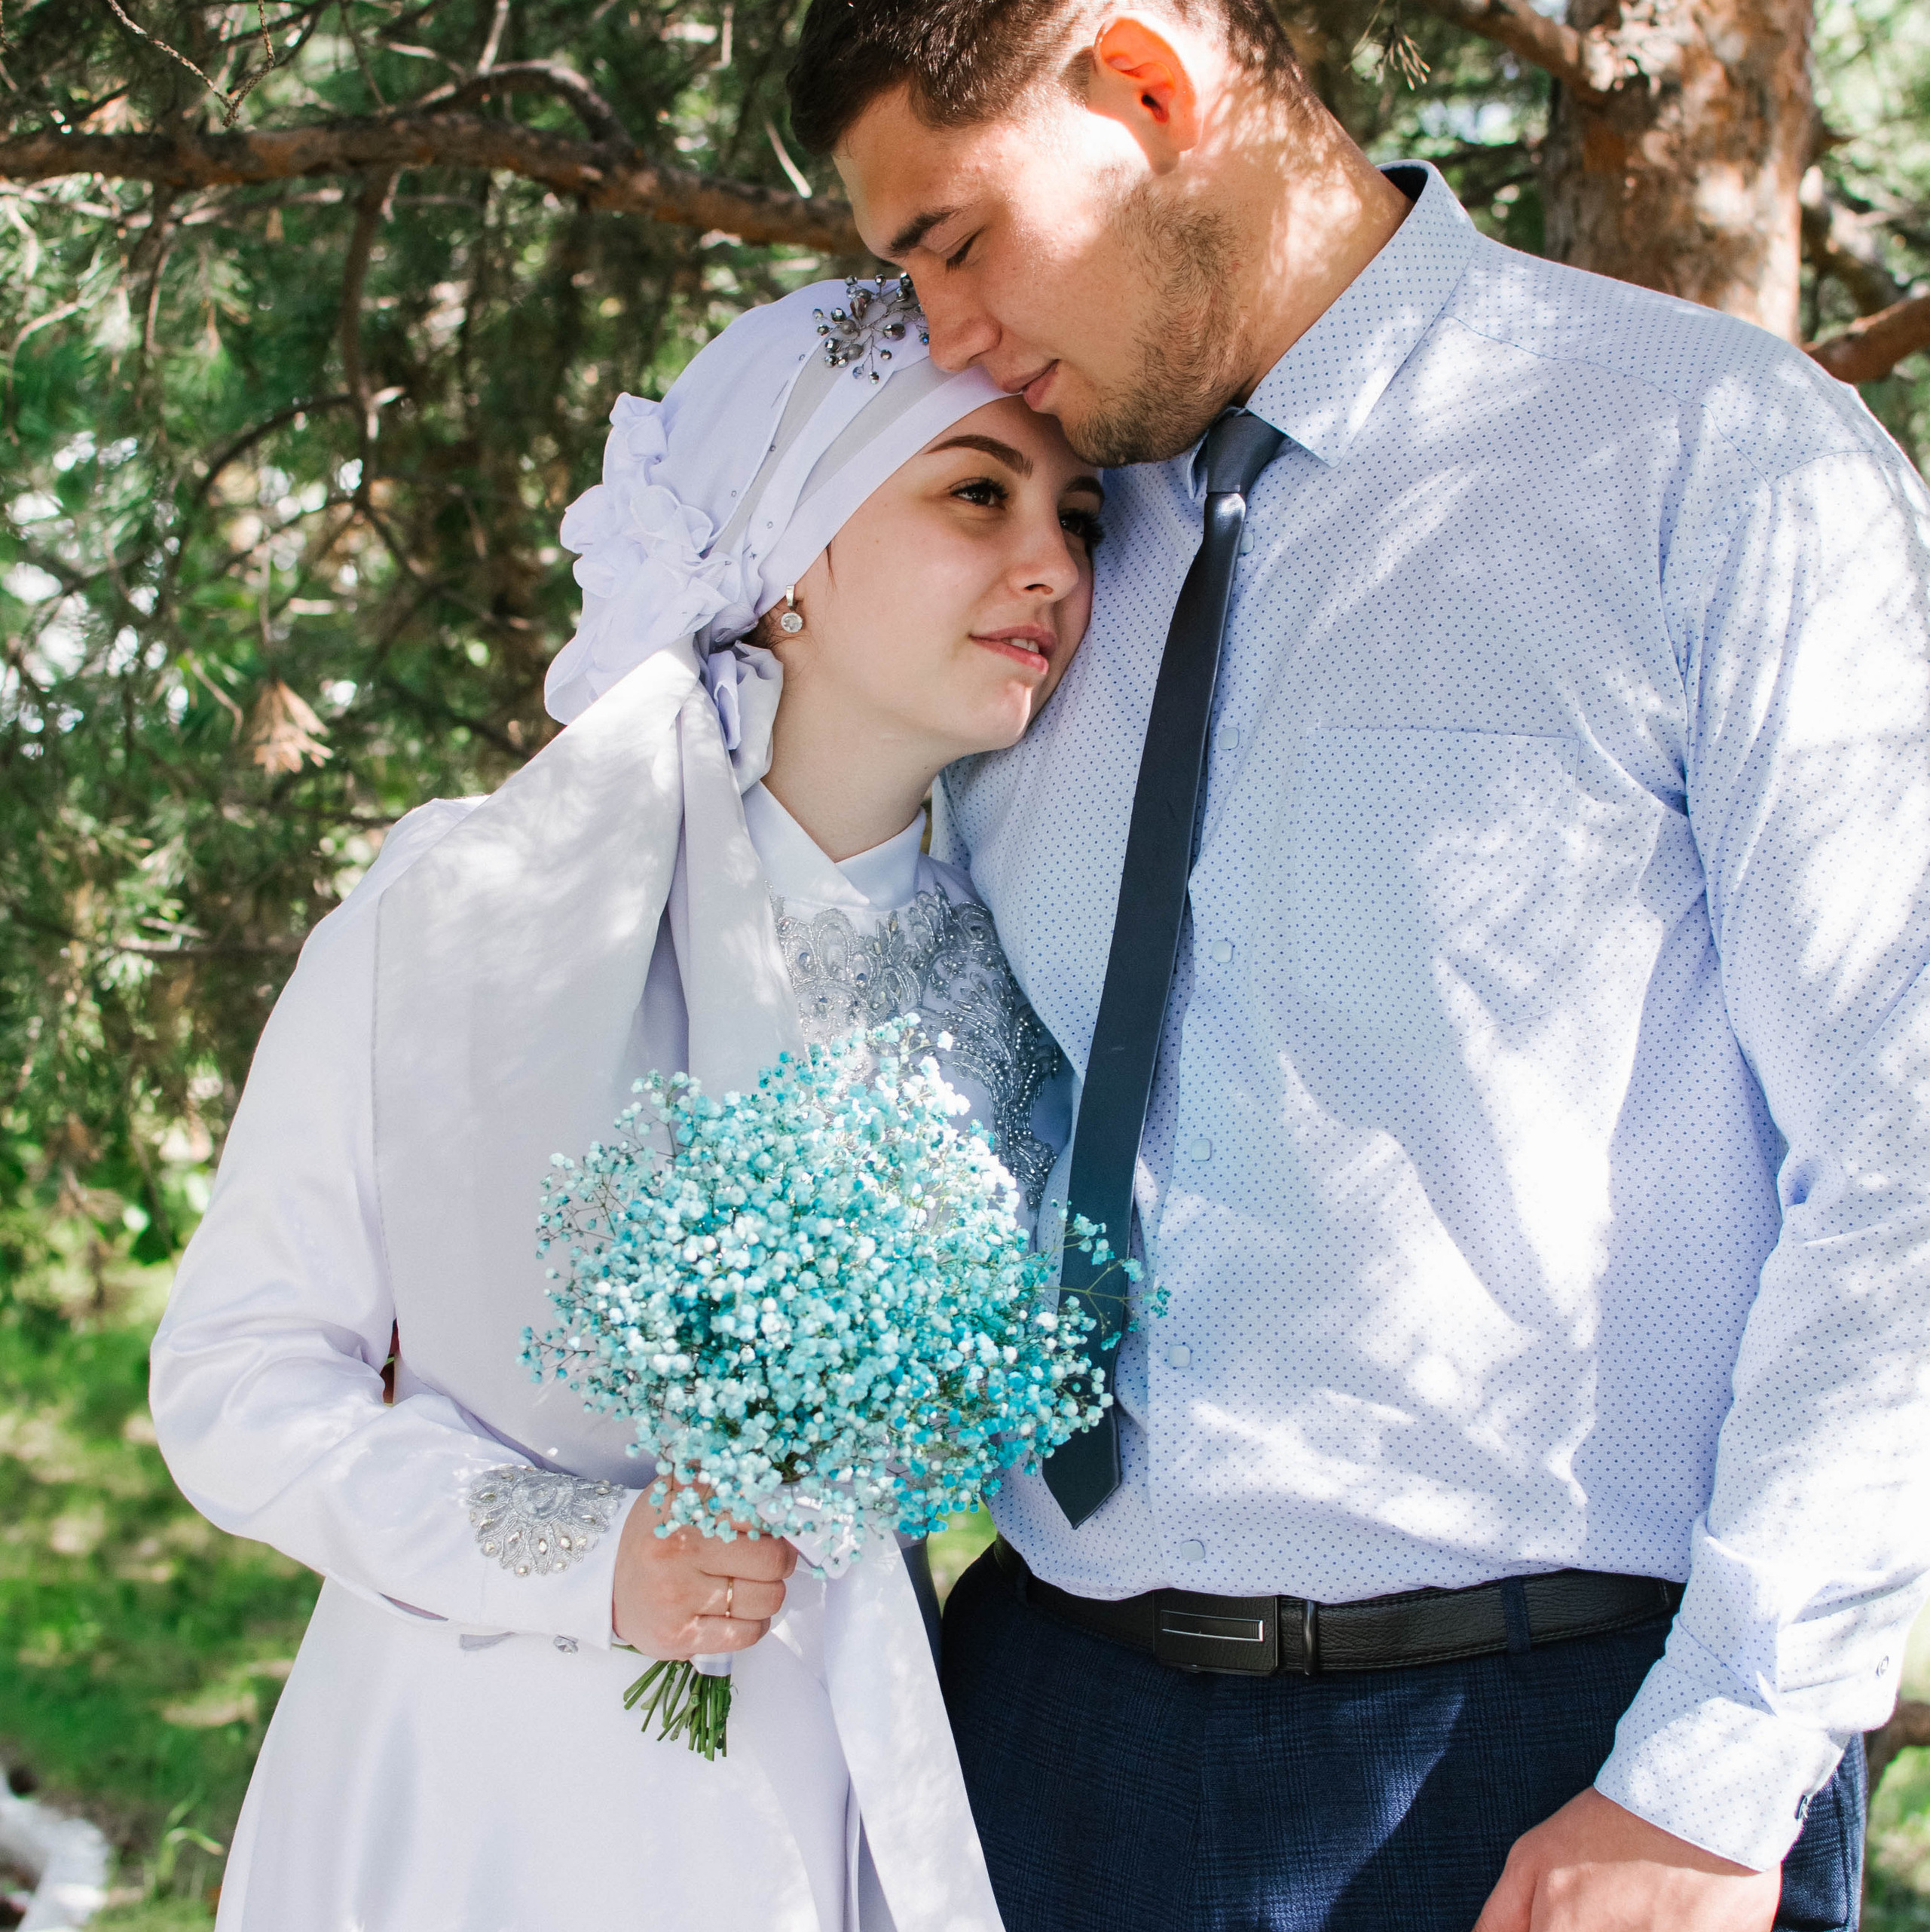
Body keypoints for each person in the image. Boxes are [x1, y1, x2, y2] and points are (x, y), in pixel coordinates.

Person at [787, 5, 1930, 1930]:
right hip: (1046, 1733)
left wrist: (1713, 1785)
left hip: (1555, 1754)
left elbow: (1908, 1150)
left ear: (1144, 81)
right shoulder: (1022, 564)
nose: (950, 337)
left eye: (959, 241)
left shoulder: (1705, 460)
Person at [148, 274, 1104, 1932]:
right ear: (787, 554)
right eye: (977, 494)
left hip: (817, 1799)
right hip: (474, 1791)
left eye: (1077, 515)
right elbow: (237, 1377)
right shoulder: (469, 903)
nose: (1053, 569)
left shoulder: (1020, 990)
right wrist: (592, 1559)